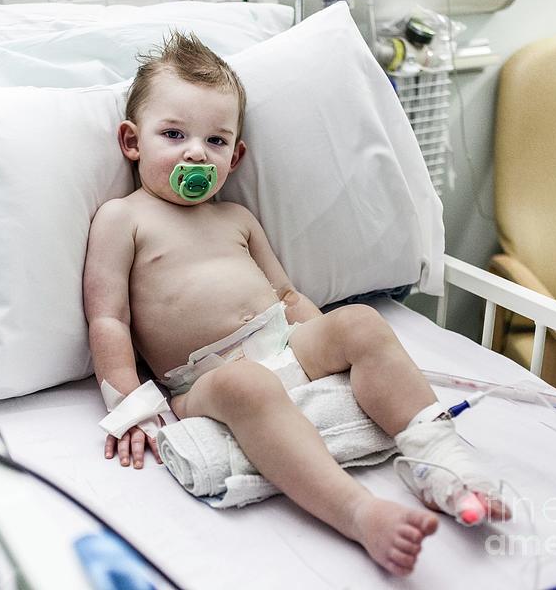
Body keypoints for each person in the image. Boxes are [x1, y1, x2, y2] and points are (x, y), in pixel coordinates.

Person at [83, 31, 508, 577]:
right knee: (248, 385)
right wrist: (129, 406)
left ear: (235, 157)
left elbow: (285, 296)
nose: (195, 152)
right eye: (173, 134)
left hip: (282, 343)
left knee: (359, 321)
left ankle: (437, 456)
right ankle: (358, 512)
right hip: (205, 380)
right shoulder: (124, 218)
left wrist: (333, 352)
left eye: (215, 141)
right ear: (131, 141)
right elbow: (108, 318)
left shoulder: (237, 218)